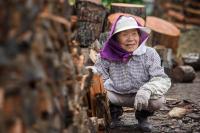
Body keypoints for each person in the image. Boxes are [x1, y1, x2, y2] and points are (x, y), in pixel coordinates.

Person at [94, 15, 171, 132]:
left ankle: (142, 117)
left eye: (134, 34)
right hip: (116, 94)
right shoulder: (107, 55)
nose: (130, 39)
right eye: (124, 34)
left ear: (139, 36)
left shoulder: (149, 54)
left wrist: (147, 90)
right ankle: (113, 113)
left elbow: (161, 78)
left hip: (141, 96)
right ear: (116, 38)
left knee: (157, 101)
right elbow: (98, 76)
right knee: (97, 93)